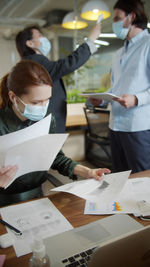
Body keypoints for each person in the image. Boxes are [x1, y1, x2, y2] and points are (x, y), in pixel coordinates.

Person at [0, 60, 110, 206]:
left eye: (47, 100)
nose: (43, 107)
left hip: (38, 195)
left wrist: (87, 172)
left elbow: (56, 158)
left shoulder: (46, 119)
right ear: (14, 97)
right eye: (36, 102)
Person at [90, 0, 150, 174]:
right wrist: (101, 99)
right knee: (119, 178)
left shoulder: (147, 45)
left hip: (137, 127)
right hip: (115, 126)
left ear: (131, 17)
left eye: (117, 18)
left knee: (142, 181)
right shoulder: (119, 53)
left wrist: (137, 98)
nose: (114, 23)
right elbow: (116, 88)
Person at [15, 23, 101, 133]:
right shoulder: (36, 62)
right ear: (30, 43)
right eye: (40, 35)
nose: (44, 38)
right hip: (48, 124)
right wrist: (90, 40)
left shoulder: (28, 62)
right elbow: (66, 65)